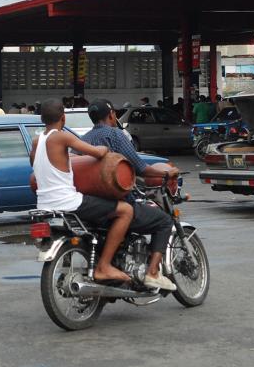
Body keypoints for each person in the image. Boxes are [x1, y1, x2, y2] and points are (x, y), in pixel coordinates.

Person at [30, 98, 133, 282]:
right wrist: (104, 148)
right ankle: (104, 266)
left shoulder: (37, 141)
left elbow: (37, 164)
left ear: (42, 119)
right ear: (63, 118)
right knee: (126, 210)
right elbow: (97, 153)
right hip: (68, 202)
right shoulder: (62, 137)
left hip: (44, 205)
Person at [82, 99, 177, 291]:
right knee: (165, 221)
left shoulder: (83, 139)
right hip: (118, 202)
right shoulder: (115, 135)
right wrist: (166, 174)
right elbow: (141, 168)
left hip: (93, 205)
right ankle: (152, 273)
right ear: (111, 115)